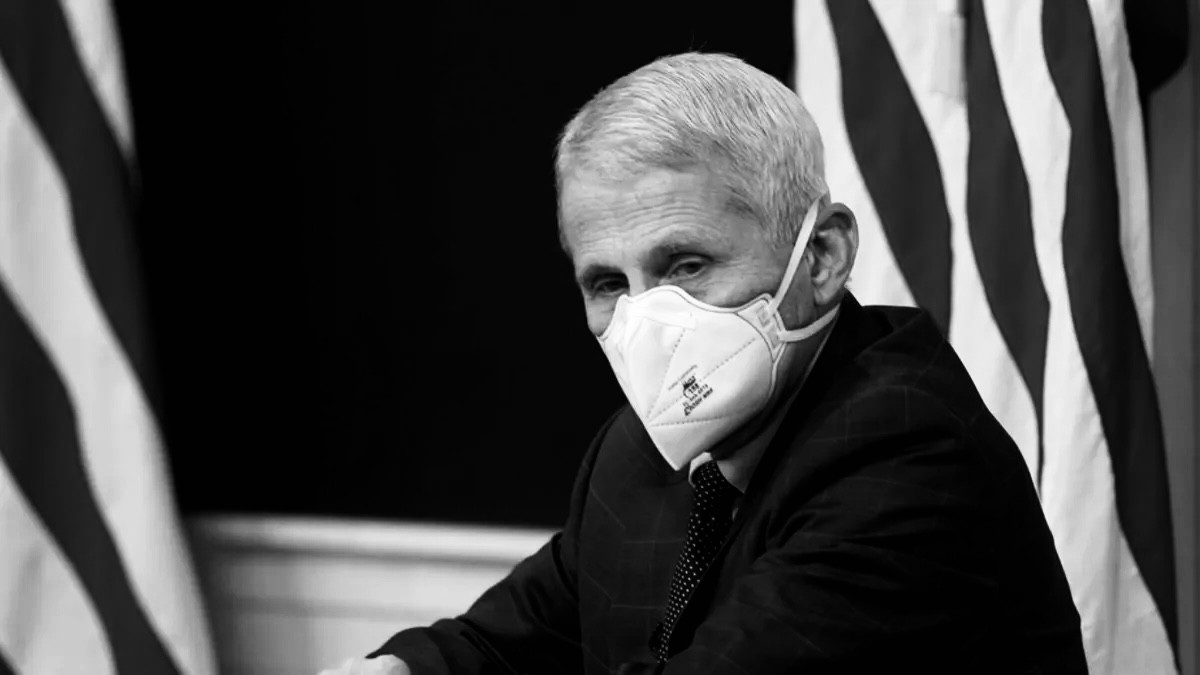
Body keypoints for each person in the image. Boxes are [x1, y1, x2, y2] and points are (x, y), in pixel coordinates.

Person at [321, 52, 1088, 674]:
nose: (647, 321)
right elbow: (506, 642)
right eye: (608, 283)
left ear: (822, 256)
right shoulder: (637, 454)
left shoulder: (912, 456)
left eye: (686, 264)